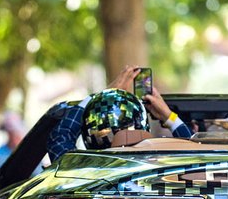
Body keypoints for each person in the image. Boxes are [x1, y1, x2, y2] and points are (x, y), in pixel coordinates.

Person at [46, 66, 193, 161]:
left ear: (91, 132)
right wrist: (169, 117)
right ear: (142, 124)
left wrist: (99, 97)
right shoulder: (163, 166)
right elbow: (194, 152)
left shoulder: (81, 171)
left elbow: (60, 136)